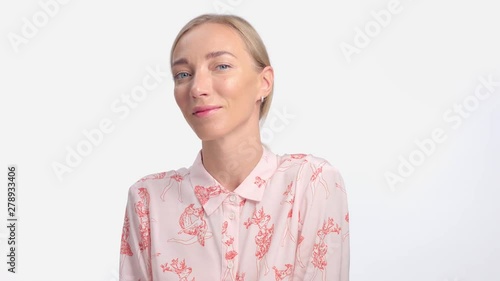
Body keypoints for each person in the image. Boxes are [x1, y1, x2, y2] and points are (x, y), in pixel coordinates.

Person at [119, 13, 350, 281]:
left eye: (221, 66)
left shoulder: (311, 183)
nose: (197, 88)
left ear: (263, 83)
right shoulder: (148, 200)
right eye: (183, 74)